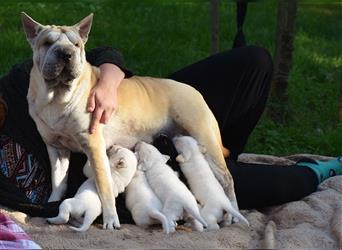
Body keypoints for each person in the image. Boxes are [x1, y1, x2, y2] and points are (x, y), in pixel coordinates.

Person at [0, 44, 341, 224]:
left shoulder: (15, 89)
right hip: (131, 174)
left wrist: (108, 80)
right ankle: (317, 171)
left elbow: (102, 52)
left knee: (254, 63)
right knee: (280, 184)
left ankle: (224, 154)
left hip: (140, 108)